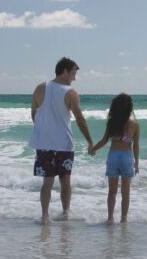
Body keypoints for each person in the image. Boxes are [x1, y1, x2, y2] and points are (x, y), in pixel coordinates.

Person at [29, 57, 94, 224]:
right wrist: (90, 141)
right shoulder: (70, 92)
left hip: (44, 144)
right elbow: (80, 119)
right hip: (64, 144)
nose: (75, 78)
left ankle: (45, 216)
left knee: (47, 181)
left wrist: (45, 130)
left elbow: (34, 115)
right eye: (73, 73)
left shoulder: (40, 88)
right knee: (65, 180)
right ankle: (65, 213)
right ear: (65, 72)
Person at [88, 93, 139, 224]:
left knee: (112, 192)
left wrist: (93, 149)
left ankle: (110, 218)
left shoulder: (112, 123)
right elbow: (136, 145)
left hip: (113, 156)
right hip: (126, 157)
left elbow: (104, 140)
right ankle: (123, 219)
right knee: (125, 192)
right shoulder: (134, 125)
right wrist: (136, 163)